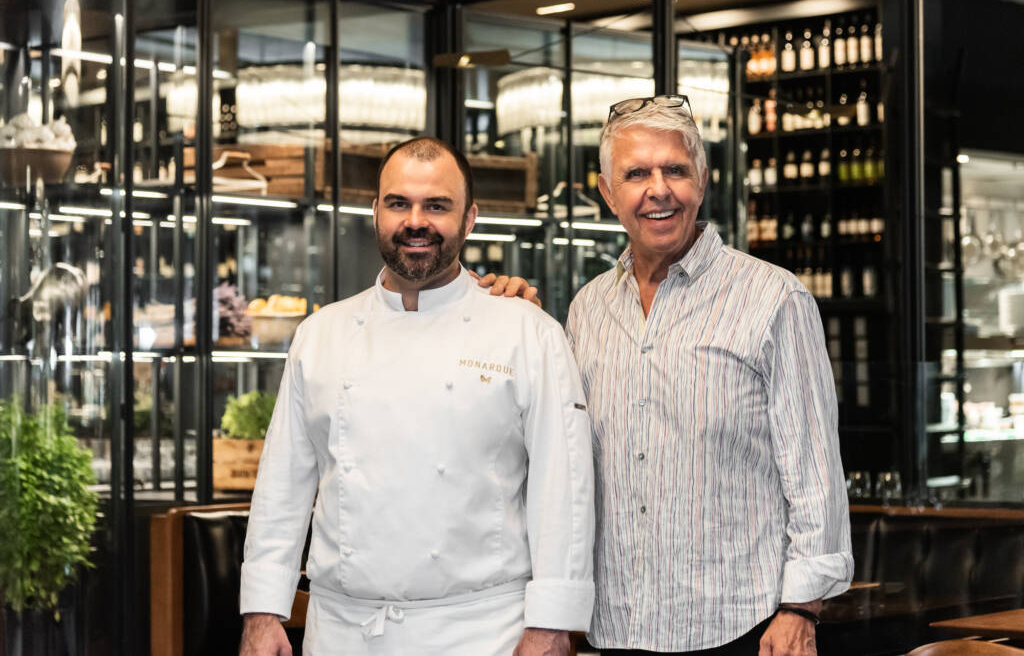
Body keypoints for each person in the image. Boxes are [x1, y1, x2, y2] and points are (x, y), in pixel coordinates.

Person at [483, 95, 852, 656]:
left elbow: (814, 470)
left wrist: (800, 608)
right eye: (635, 174)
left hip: (740, 625)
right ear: (608, 193)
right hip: (615, 624)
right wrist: (511, 322)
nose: (659, 189)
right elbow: (563, 457)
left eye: (675, 169)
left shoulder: (774, 298)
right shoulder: (587, 308)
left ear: (701, 181)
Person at [238, 136, 595, 656]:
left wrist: (550, 625)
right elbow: (282, 487)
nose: (416, 221)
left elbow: (562, 489)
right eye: (399, 203)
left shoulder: (528, 332)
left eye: (437, 206)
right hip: (341, 630)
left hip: (482, 632)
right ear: (375, 212)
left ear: (469, 219)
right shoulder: (322, 334)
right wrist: (262, 613)